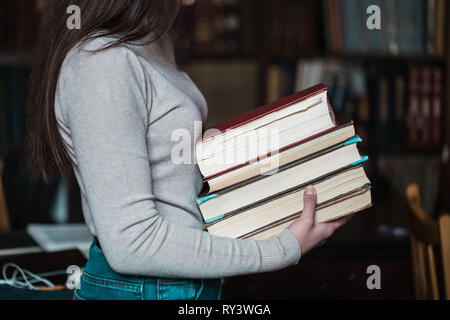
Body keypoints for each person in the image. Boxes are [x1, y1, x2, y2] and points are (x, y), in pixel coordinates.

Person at [26, 0, 353, 300]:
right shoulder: (101, 61)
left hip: (178, 282)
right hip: (143, 289)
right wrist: (281, 249)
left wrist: (285, 180)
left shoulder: (150, 40)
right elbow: (131, 242)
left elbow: (171, 181)